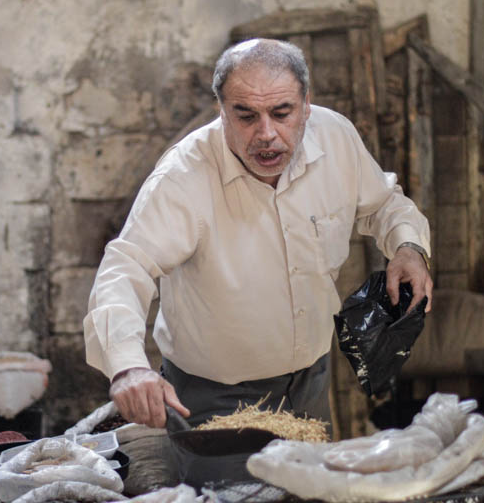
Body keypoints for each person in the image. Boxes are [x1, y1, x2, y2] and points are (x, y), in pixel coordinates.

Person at [83, 38, 432, 430]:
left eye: (282, 113)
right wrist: (127, 366)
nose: (266, 133)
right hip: (212, 395)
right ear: (222, 110)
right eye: (246, 116)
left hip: (311, 381)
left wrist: (408, 246)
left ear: (306, 105)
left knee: (307, 489)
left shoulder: (335, 137)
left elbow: (384, 203)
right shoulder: (182, 178)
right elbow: (125, 268)